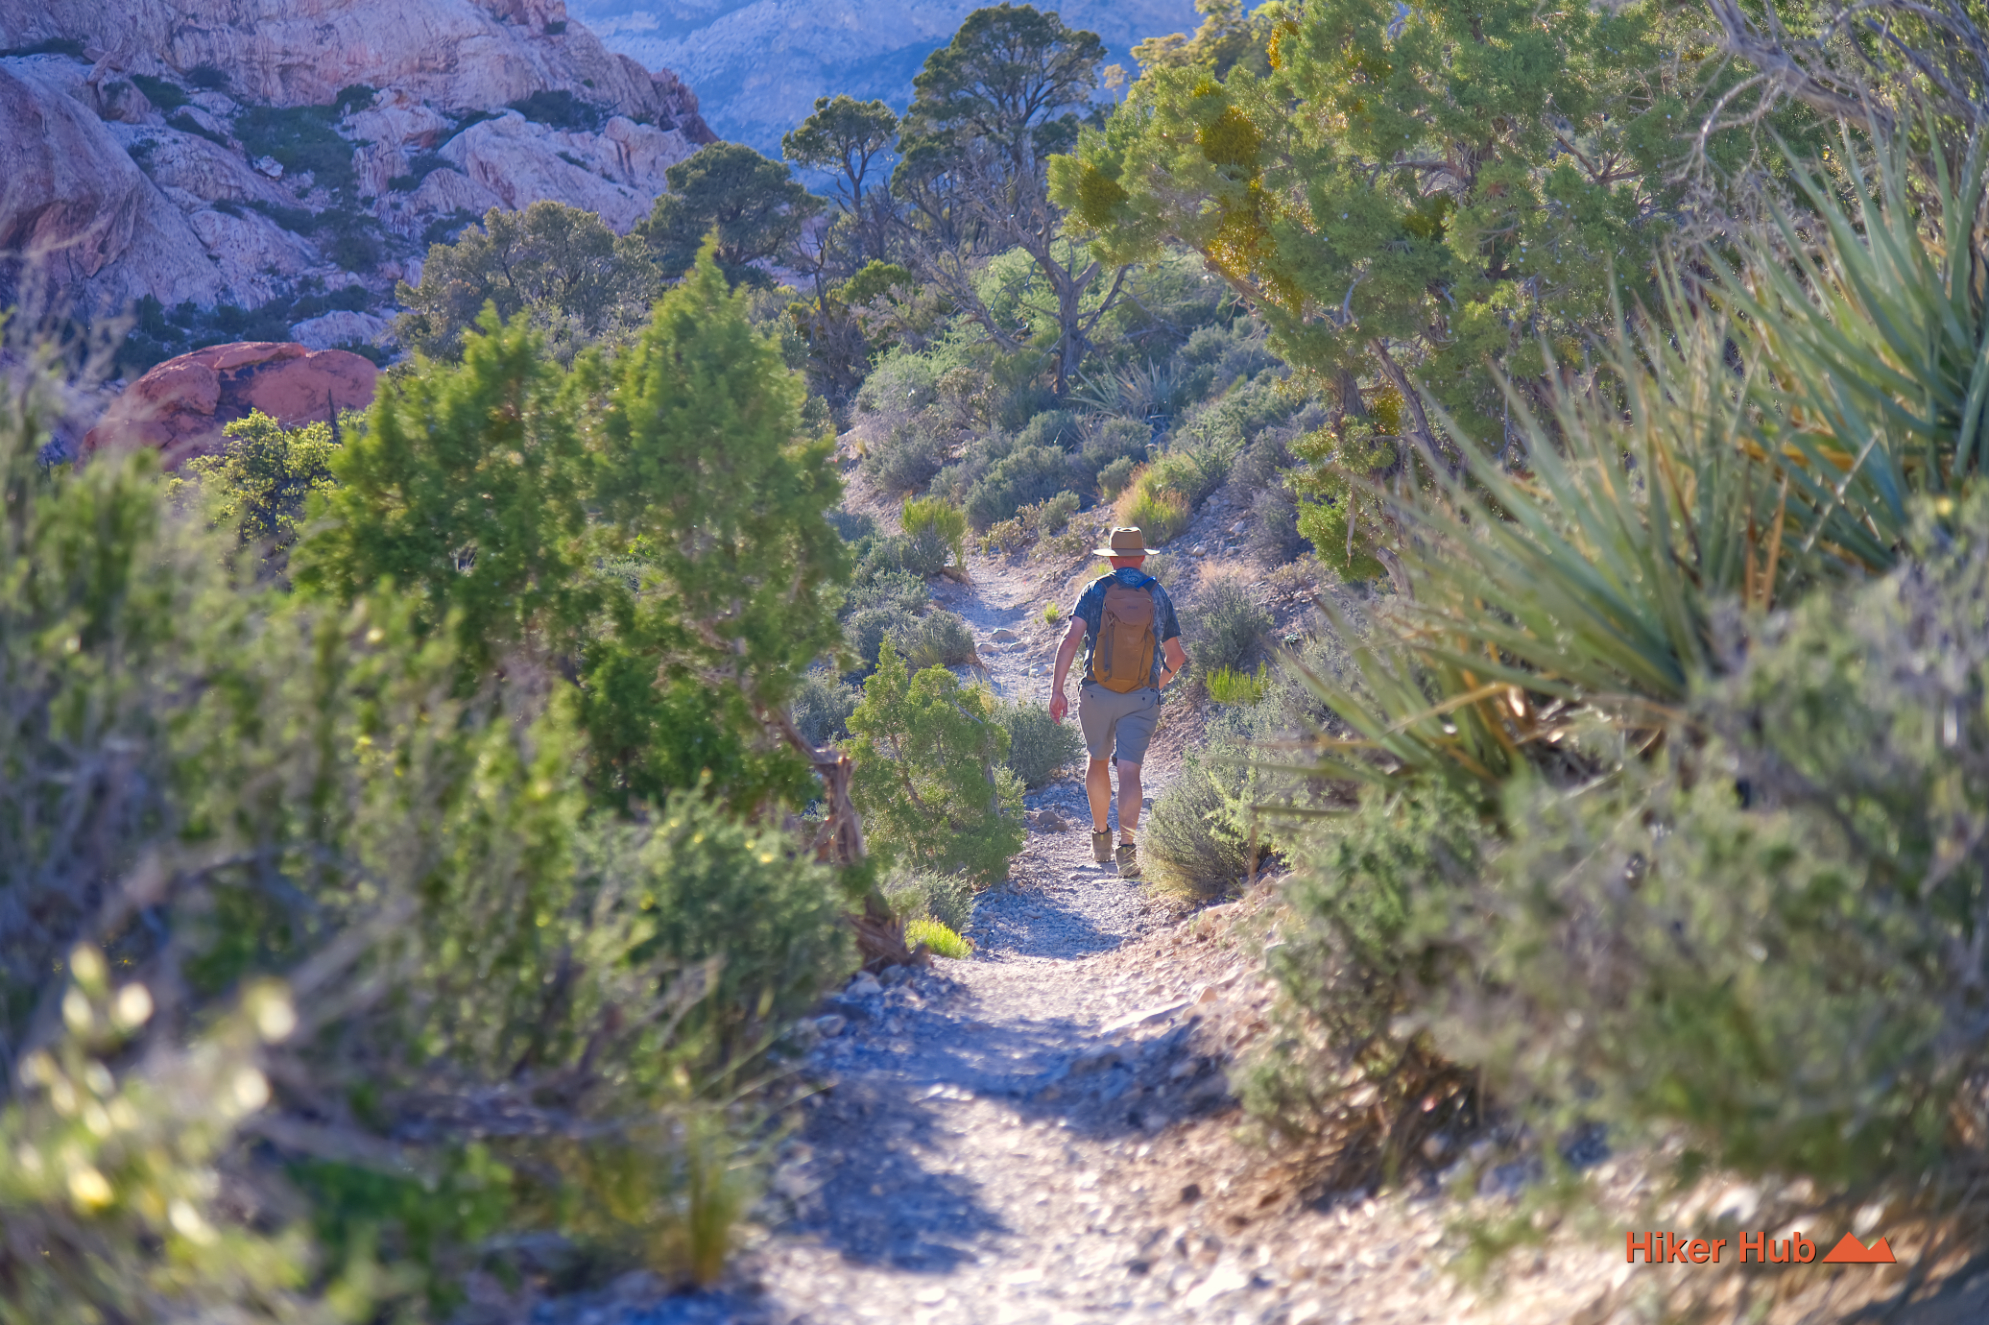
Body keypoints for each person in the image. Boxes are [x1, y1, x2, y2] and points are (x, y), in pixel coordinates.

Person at [1047, 527, 1188, 878]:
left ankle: (1100, 839)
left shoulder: (1095, 591)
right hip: (1141, 696)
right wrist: (1154, 684)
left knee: (1097, 761)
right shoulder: (1158, 594)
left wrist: (1057, 690)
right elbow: (1177, 655)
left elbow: (1070, 641)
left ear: (1110, 558)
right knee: (1129, 771)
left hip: (1097, 692)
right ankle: (1127, 851)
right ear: (1142, 558)